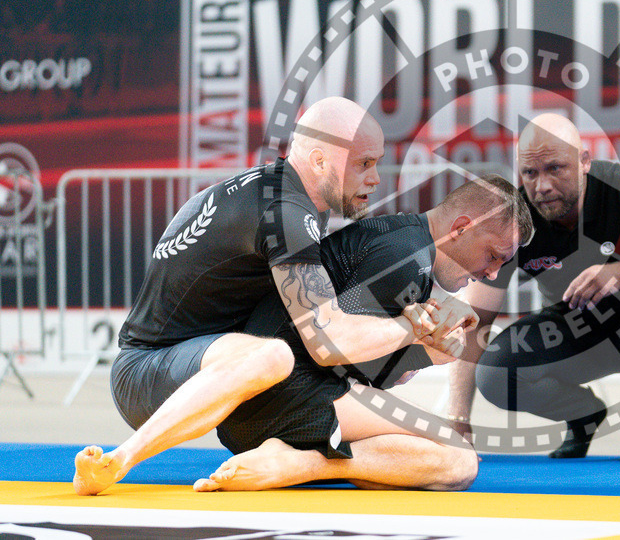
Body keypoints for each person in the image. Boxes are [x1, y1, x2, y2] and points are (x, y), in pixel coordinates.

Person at [73, 98, 464, 495]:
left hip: (216, 368)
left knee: (454, 461)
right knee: (273, 355)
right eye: (364, 163)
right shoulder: (286, 212)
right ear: (318, 160)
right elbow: (330, 343)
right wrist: (413, 326)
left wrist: (418, 347)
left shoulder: (290, 197)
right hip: (148, 372)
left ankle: (299, 463)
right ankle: (119, 460)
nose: (376, 178)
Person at [189, 174, 534, 492]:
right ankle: (301, 464)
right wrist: (423, 347)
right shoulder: (405, 256)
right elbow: (340, 352)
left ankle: (297, 459)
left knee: (427, 462)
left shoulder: (408, 247)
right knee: (458, 461)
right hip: (280, 395)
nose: (492, 274)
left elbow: (365, 367)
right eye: (493, 256)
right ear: (460, 228)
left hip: (266, 399)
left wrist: (428, 351)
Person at [448, 113, 620, 463]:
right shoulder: (514, 218)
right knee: (494, 373)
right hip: (572, 332)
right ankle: (583, 414)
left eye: (555, 169)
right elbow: (476, 322)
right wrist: (458, 419)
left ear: (584, 162)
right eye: (530, 173)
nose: (542, 186)